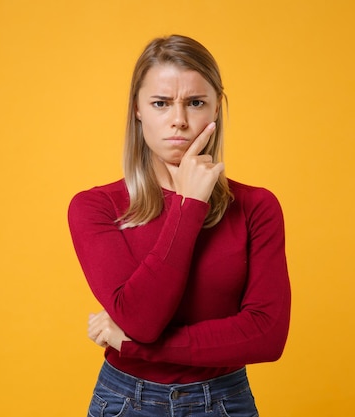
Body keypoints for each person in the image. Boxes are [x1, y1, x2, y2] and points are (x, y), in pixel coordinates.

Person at [68, 34, 291, 417]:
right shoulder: (95, 207)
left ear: (216, 109)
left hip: (225, 401)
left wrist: (134, 345)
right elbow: (142, 319)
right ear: (137, 110)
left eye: (195, 103)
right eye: (160, 103)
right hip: (126, 403)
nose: (179, 120)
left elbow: (266, 336)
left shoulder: (257, 207)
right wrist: (189, 207)